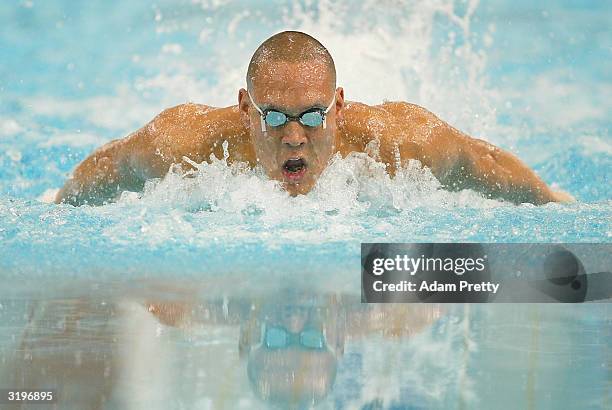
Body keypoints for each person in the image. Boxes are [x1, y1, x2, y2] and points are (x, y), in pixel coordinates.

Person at [55, 31, 572, 206]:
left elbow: (475, 158)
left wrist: (557, 205)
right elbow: (113, 164)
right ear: (244, 108)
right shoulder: (181, 145)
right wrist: (56, 206)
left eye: (312, 116)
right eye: (274, 116)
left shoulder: (399, 143)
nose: (295, 136)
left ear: (338, 106)